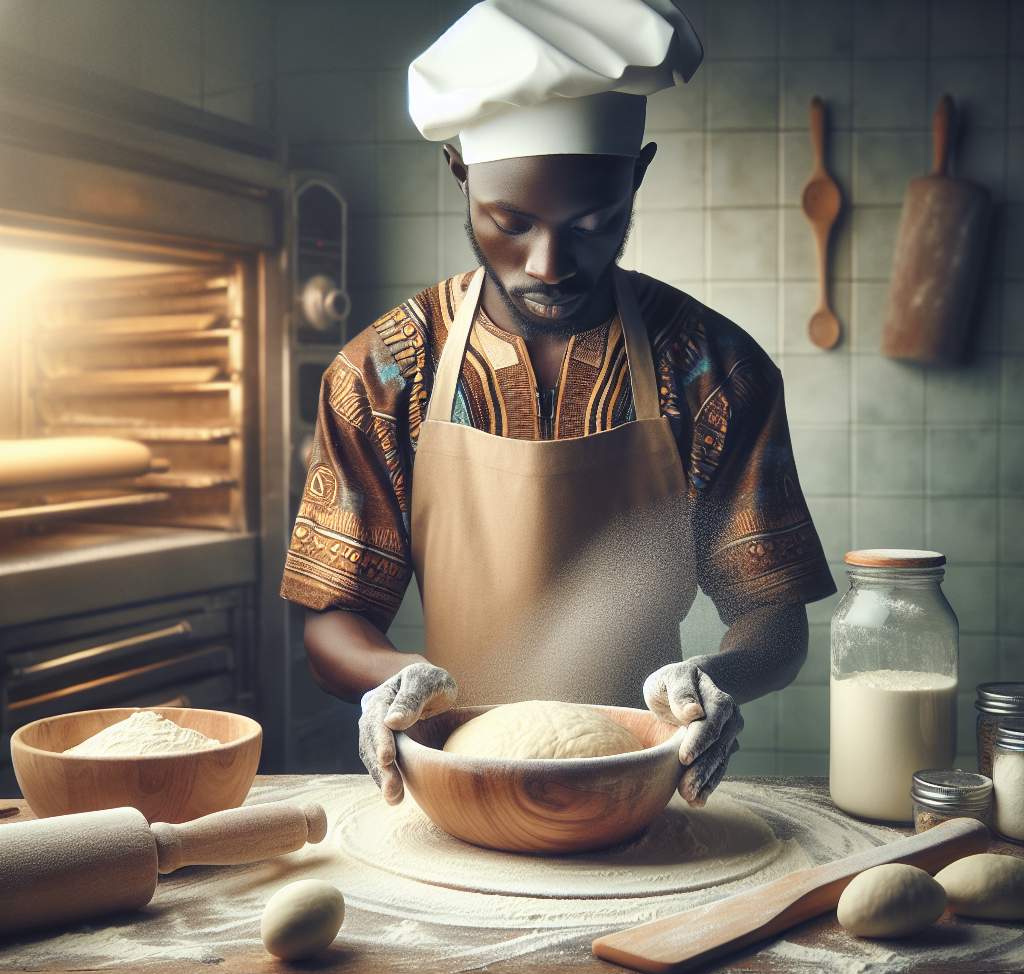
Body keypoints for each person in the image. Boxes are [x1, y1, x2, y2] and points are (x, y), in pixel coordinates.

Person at [281, 0, 836, 810]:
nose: (549, 263)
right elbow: (332, 627)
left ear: (637, 174)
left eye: (594, 222)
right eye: (510, 221)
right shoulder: (383, 373)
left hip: (641, 779)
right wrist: (394, 679)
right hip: (456, 780)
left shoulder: (713, 369)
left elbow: (773, 620)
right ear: (458, 172)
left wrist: (712, 679)